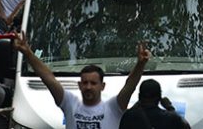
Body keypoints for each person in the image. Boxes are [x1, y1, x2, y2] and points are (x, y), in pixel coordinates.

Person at [13, 34, 151, 128]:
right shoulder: (70, 103)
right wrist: (28, 53)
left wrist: (140, 64)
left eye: (93, 83)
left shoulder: (113, 107)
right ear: (79, 85)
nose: (88, 87)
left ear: (102, 86)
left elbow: (130, 85)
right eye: (85, 83)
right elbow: (48, 78)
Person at [119, 79, 188, 129]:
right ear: (159, 97)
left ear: (139, 96)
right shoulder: (171, 118)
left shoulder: (129, 117)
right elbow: (186, 126)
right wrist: (170, 107)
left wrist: (137, 104)